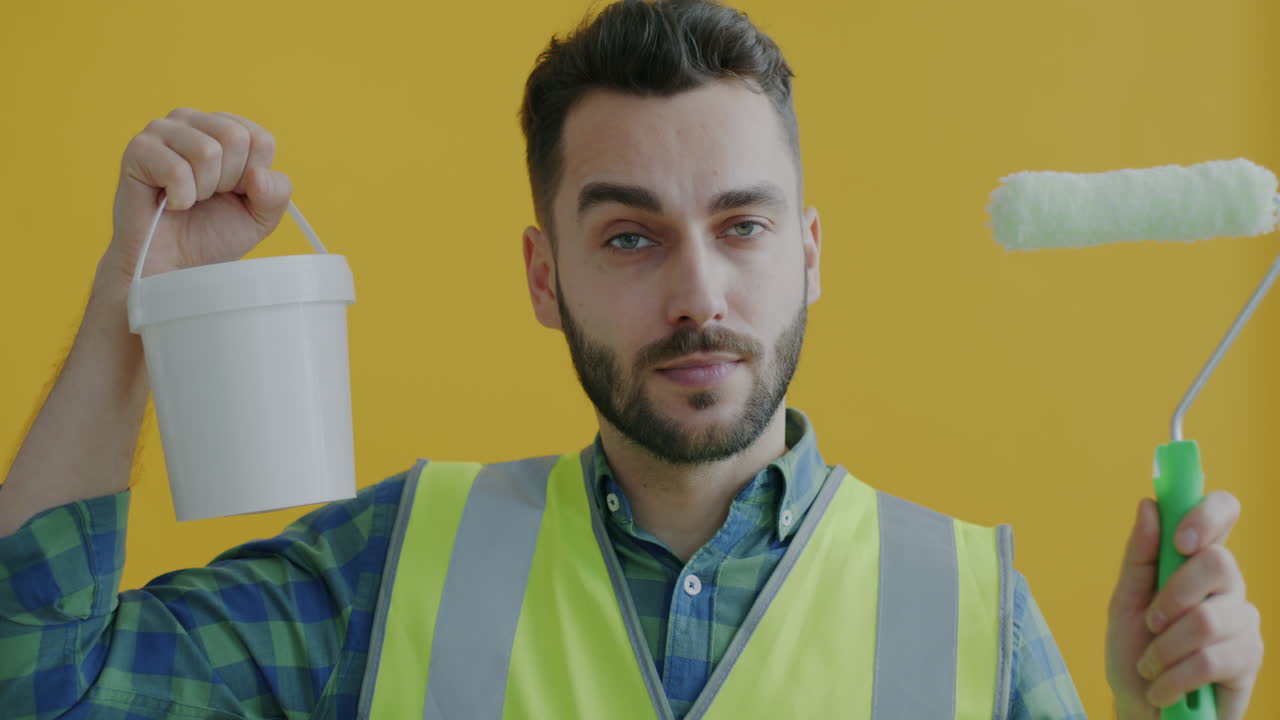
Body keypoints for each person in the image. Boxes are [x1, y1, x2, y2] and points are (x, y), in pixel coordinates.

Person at [0, 0, 1263, 718]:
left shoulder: (975, 620)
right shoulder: (380, 578)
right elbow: (37, 688)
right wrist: (134, 301)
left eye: (741, 226)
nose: (695, 294)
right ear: (543, 277)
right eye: (627, 236)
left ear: (808, 254)